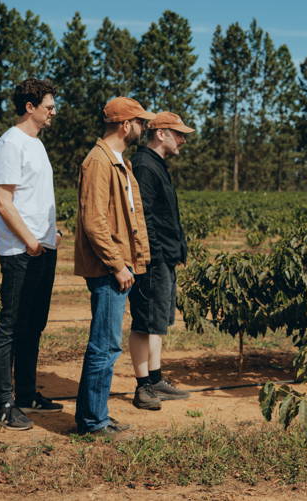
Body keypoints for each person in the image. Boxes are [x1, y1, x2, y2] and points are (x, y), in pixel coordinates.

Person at [74, 97, 154, 437]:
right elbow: (94, 222)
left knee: (108, 344)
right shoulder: (98, 162)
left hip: (120, 266)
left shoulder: (119, 162)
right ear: (125, 125)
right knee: (104, 345)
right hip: (110, 269)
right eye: (140, 123)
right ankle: (92, 421)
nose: (143, 128)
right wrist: (118, 264)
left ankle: (97, 416)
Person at [0, 78, 62, 430]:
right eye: (48, 106)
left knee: (34, 325)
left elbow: (35, 197)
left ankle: (27, 393)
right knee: (10, 327)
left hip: (43, 247)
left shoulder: (37, 145)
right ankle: (2, 404)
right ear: (29, 107)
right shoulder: (10, 144)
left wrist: (50, 234)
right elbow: (5, 203)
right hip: (20, 250)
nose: (53, 112)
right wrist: (31, 240)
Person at [128, 112, 194, 410]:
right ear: (161, 134)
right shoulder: (144, 165)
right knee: (144, 322)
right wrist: (153, 256)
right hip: (153, 260)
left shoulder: (156, 165)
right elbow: (145, 218)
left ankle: (155, 379)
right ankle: (143, 387)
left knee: (157, 322)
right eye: (178, 133)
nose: (183, 139)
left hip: (164, 257)